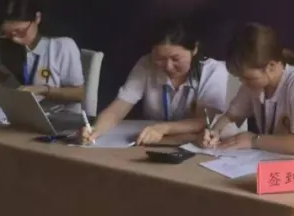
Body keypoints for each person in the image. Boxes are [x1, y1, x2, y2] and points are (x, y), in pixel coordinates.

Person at [83, 20, 237, 147]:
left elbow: (205, 121)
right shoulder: (146, 64)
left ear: (194, 49)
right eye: (160, 59)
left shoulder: (213, 71)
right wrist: (94, 130)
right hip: (151, 144)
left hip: (193, 145)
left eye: (175, 59)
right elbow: (118, 109)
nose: (168, 66)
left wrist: (164, 128)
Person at [203, 23, 294, 156]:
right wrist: (215, 132)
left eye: (248, 78)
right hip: (276, 159)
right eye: (240, 77)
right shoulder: (253, 85)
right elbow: (230, 116)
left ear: (271, 66)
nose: (243, 82)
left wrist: (253, 140)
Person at [0, 0, 85, 112]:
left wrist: (42, 90)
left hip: (63, 117)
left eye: (20, 32)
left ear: (37, 18)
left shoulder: (62, 46)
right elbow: (4, 71)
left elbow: (78, 93)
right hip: (27, 114)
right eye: (7, 33)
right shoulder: (9, 45)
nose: (15, 39)